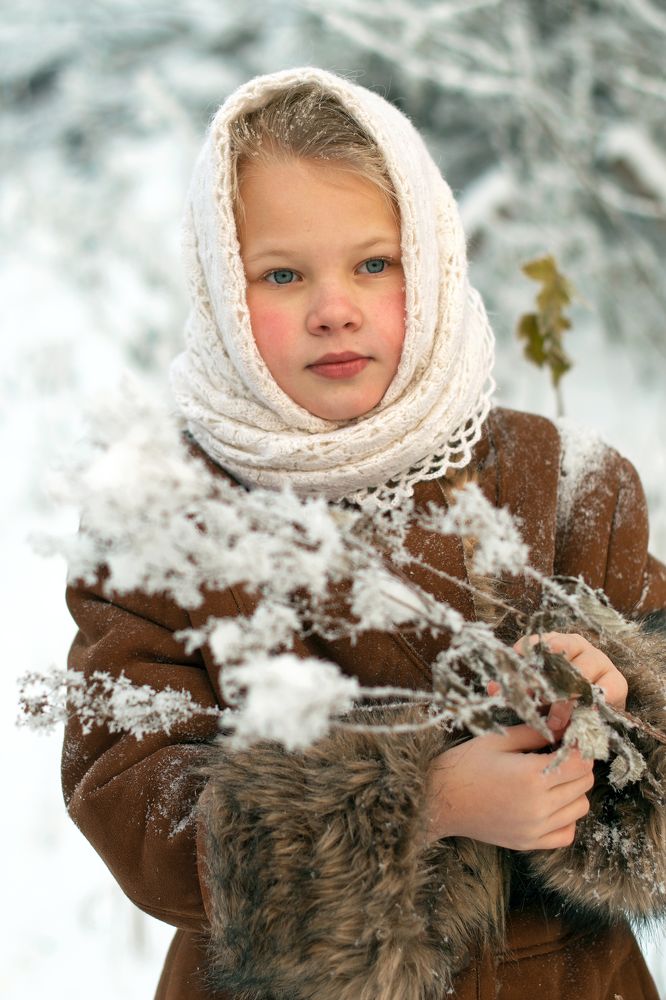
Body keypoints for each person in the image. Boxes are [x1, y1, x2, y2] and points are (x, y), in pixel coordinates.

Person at [62, 68, 666, 1000]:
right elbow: (132, 798)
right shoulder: (166, 519)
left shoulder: (568, 485)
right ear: (221, 287)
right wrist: (419, 803)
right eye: (283, 273)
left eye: (373, 263)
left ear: (430, 261)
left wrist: (620, 698)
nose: (333, 306)